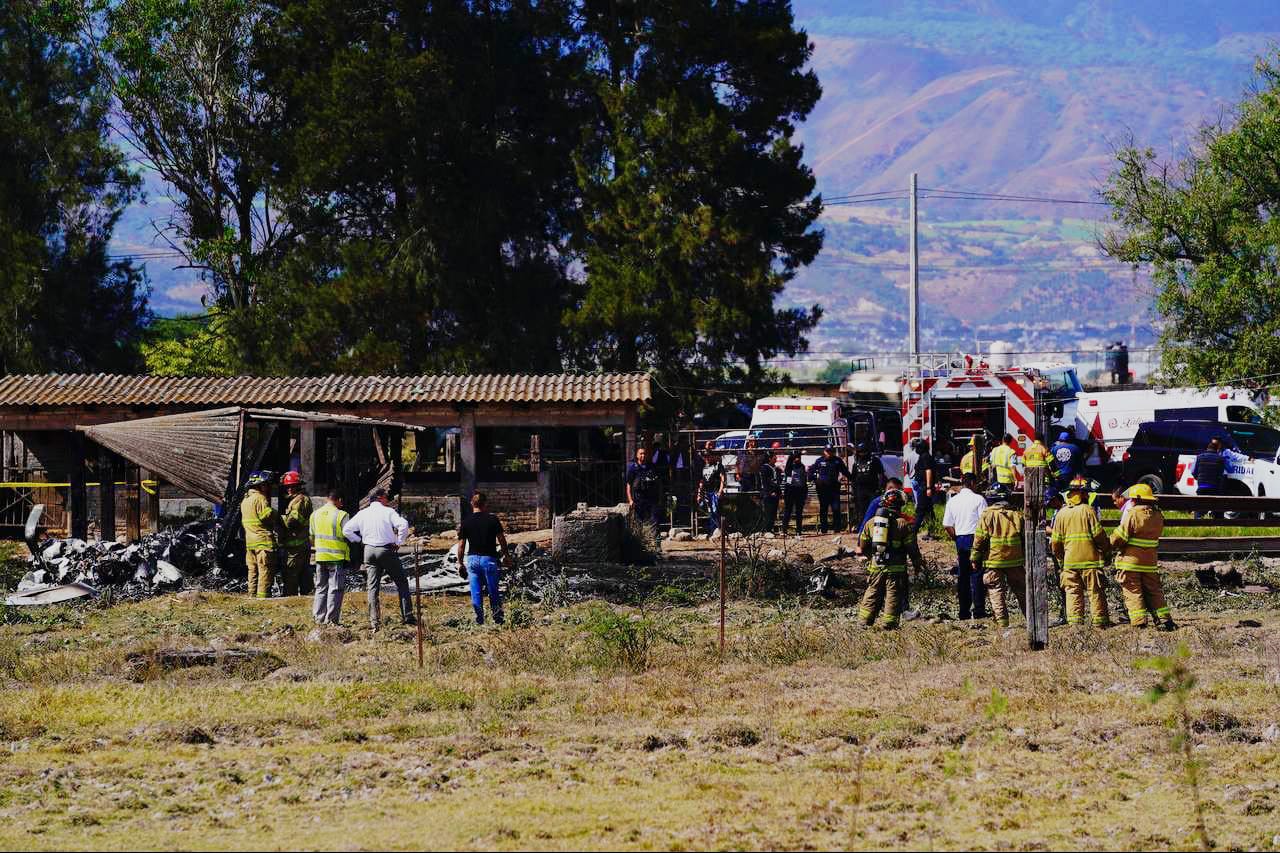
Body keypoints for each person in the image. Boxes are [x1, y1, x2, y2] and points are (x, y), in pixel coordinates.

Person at [343, 487, 415, 630]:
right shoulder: (388, 511)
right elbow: (403, 524)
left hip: (368, 550)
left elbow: (346, 530)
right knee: (401, 582)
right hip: (386, 549)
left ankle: (374, 621)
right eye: (386, 497)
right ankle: (407, 616)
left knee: (372, 587)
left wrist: (359, 540)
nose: (388, 500)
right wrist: (399, 542)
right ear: (380, 498)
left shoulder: (363, 513)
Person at [854, 488, 922, 629]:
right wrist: (917, 565)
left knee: (872, 592)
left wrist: (871, 557)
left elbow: (862, 545)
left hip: (876, 566)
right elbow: (912, 549)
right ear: (901, 504)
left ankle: (863, 623)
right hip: (896, 568)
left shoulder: (871, 523)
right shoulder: (904, 524)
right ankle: (889, 625)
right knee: (893, 595)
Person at [1050, 476, 1112, 628]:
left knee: (1072, 593)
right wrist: (1106, 551)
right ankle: (1100, 624)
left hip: (1069, 562)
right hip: (1090, 561)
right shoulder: (1088, 511)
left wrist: (1061, 559)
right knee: (1095, 592)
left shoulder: (1061, 514)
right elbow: (1099, 536)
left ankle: (1076, 626)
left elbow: (1056, 542)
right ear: (1083, 494)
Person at [1111, 483, 1174, 630]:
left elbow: (1120, 537)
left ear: (1136, 499)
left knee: (1133, 591)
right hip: (1150, 562)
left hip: (1131, 562)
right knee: (1154, 590)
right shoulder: (1158, 515)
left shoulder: (1133, 513)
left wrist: (1110, 542)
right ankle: (1165, 620)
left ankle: (1139, 622)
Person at [454, 492, 514, 625]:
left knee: (475, 592)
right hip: (489, 559)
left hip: (472, 560)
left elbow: (461, 546)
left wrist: (460, 563)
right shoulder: (493, 519)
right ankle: (498, 619)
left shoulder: (466, 522)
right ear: (485, 504)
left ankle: (479, 620)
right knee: (493, 590)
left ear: (472, 504)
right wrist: (506, 555)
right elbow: (502, 540)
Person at [972, 485, 1026, 628]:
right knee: (1022, 590)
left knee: (996, 591)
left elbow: (980, 539)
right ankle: (1031, 618)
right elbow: (1025, 539)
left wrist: (975, 557)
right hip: (1015, 560)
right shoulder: (1017, 515)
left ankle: (1002, 624)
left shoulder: (987, 515)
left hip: (993, 561)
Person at [943, 473, 988, 621]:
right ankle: (979, 609)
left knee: (963, 576)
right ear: (973, 483)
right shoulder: (979, 499)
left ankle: (964, 611)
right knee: (977, 573)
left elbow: (947, 525)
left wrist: (956, 538)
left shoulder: (953, 501)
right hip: (975, 537)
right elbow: (984, 522)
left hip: (961, 538)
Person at [309, 490, 350, 625]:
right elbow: (348, 534)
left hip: (320, 556)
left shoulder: (314, 515)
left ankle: (318, 619)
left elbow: (311, 537)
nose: (342, 504)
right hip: (336, 557)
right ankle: (331, 620)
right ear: (338, 499)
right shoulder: (342, 515)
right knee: (335, 588)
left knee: (320, 587)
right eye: (341, 502)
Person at [240, 471, 281, 599]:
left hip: (250, 543)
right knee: (265, 571)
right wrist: (276, 514)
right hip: (263, 542)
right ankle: (263, 599)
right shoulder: (260, 498)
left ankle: (252, 596)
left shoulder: (245, 500)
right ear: (260, 485)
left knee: (252, 571)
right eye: (265, 485)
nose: (267, 487)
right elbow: (266, 516)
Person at [279, 471, 312, 597]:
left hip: (296, 546)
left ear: (299, 486)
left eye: (292, 486)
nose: (289, 489)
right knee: (304, 572)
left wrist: (278, 518)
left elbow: (292, 522)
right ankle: (306, 596)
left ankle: (290, 598)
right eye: (288, 487)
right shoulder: (298, 499)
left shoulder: (300, 500)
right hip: (299, 544)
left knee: (291, 574)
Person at [808, 444, 850, 534]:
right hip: (822, 489)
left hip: (834, 489)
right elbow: (811, 472)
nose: (829, 453)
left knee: (836, 508)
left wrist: (852, 478)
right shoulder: (819, 461)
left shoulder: (837, 461)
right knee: (823, 509)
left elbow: (845, 471)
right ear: (824, 451)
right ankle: (824, 529)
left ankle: (837, 529)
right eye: (828, 451)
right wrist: (815, 480)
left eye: (831, 451)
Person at [849, 442, 887, 535]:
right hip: (860, 489)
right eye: (860, 452)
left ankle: (874, 528)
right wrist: (853, 490)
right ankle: (862, 528)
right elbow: (853, 477)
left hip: (872, 489)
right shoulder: (857, 462)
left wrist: (880, 487)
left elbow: (881, 474)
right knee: (861, 510)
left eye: (864, 451)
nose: (862, 454)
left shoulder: (874, 460)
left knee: (873, 509)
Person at [626, 446, 663, 531]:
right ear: (637, 455)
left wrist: (660, 498)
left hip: (652, 497)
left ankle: (656, 542)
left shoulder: (652, 467)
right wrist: (630, 500)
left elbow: (659, 483)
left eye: (644, 453)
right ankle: (640, 541)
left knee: (655, 521)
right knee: (639, 521)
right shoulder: (633, 468)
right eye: (641, 453)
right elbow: (629, 485)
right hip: (639, 498)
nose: (643, 455)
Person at [905, 438, 936, 535]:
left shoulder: (925, 457)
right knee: (928, 509)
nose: (916, 450)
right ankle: (932, 530)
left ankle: (913, 531)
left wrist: (928, 488)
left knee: (920, 509)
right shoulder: (924, 456)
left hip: (924, 487)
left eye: (917, 448)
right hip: (923, 486)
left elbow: (928, 471)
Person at [697, 442, 727, 537]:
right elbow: (701, 481)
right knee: (709, 511)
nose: (706, 458)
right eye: (705, 456)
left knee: (715, 510)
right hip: (706, 492)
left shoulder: (718, 465)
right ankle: (712, 530)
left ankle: (717, 530)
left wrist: (720, 490)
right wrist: (699, 493)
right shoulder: (704, 467)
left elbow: (723, 478)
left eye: (708, 456)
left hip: (715, 491)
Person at [1190, 438, 1226, 519]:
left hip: (1202, 487)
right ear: (1217, 449)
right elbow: (1227, 470)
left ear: (1207, 449)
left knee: (1199, 507)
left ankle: (1198, 520)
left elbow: (1192, 471)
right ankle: (1218, 522)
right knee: (1218, 507)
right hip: (1215, 489)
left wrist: (1198, 478)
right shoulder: (1221, 459)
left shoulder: (1199, 457)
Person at [780, 449, 807, 535]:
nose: (797, 459)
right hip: (790, 490)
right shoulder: (789, 466)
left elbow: (804, 479)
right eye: (796, 457)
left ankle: (799, 530)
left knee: (799, 512)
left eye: (799, 457)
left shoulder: (802, 466)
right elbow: (788, 465)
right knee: (788, 510)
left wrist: (804, 491)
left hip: (799, 490)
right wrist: (793, 455)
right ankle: (784, 530)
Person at [758, 446, 782, 533]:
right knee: (768, 512)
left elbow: (778, 480)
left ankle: (770, 528)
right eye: (774, 457)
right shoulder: (764, 468)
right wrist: (770, 492)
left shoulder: (775, 468)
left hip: (775, 493)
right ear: (769, 458)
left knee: (773, 512)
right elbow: (765, 482)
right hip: (768, 494)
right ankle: (767, 529)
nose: (775, 458)